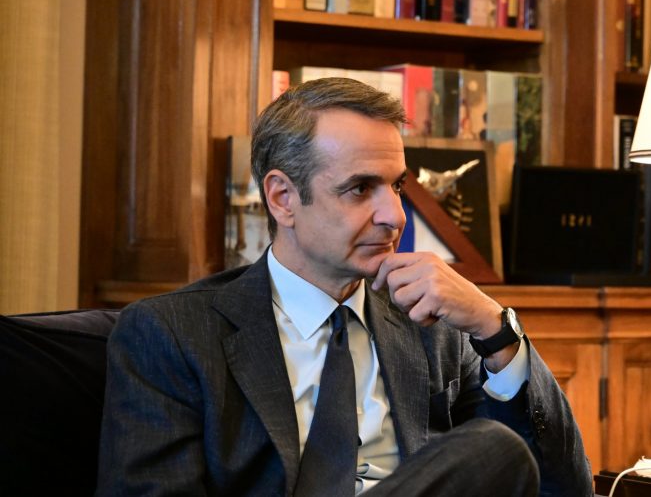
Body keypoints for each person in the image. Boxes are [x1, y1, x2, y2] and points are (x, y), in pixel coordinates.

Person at [97, 77, 592, 496]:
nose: (394, 215)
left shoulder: (432, 325)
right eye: (360, 189)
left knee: (496, 450)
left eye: (397, 186)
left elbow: (565, 487)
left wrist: (494, 327)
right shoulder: (173, 334)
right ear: (283, 198)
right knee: (493, 446)